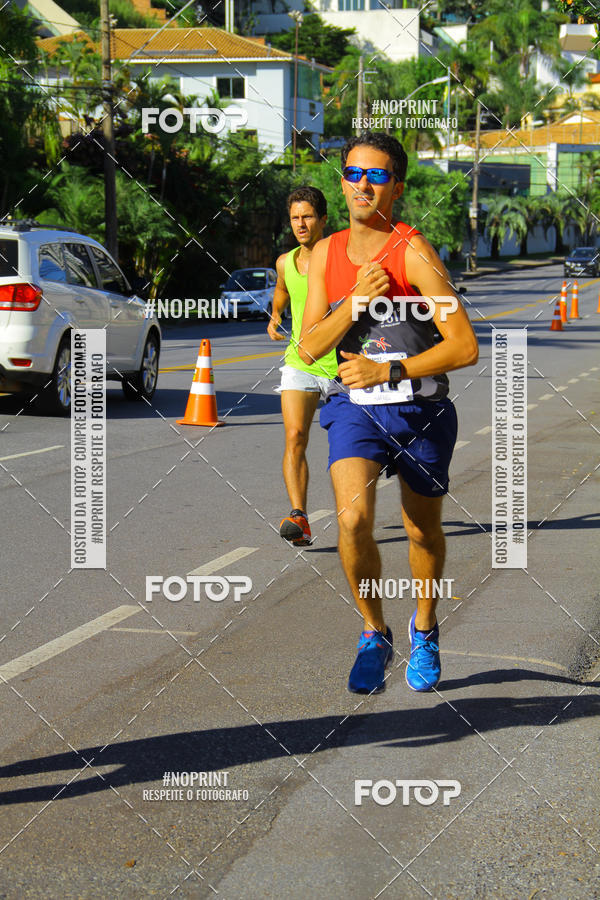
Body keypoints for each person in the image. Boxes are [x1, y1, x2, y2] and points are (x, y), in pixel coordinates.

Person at [299, 132, 479, 694]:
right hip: (353, 407)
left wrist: (392, 370)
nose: (362, 185)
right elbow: (308, 347)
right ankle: (374, 632)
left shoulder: (414, 253)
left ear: (396, 186)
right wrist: (353, 300)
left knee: (420, 531)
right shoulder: (325, 255)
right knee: (352, 520)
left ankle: (424, 627)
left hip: (419, 409)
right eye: (353, 174)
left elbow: (465, 346)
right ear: (342, 181)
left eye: (376, 175)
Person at [268, 186, 338, 546]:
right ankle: (299, 516)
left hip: (346, 365)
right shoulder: (285, 261)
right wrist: (276, 314)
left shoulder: (342, 257)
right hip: (301, 361)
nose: (301, 223)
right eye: (295, 217)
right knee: (295, 436)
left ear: (323, 219)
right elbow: (282, 288)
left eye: (308, 216)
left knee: (358, 447)